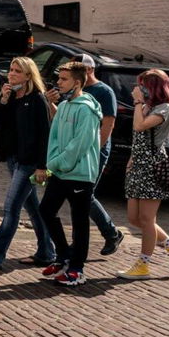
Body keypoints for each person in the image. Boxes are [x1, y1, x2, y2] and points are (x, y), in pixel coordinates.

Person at [0, 57, 54, 270]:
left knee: (11, 208)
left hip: (29, 162)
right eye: (11, 70)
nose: (11, 74)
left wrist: (42, 166)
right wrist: (2, 100)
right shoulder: (11, 97)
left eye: (17, 71)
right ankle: (47, 251)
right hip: (12, 158)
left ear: (28, 75)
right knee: (33, 208)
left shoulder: (37, 99)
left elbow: (44, 135)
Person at [49, 55, 125, 255]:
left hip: (93, 151)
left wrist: (94, 152)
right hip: (71, 152)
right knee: (73, 200)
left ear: (89, 71)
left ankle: (108, 234)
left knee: (84, 197)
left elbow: (108, 124)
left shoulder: (103, 92)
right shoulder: (71, 91)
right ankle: (81, 244)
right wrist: (51, 104)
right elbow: (63, 120)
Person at [117, 69, 169, 280]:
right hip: (138, 165)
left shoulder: (164, 109)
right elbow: (137, 137)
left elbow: (140, 126)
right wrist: (132, 158)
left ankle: (143, 265)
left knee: (147, 219)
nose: (140, 90)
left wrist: (138, 103)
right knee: (134, 218)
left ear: (154, 88)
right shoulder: (147, 107)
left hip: (152, 166)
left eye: (143, 86)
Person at [38, 62, 103, 287]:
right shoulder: (64, 106)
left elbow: (79, 146)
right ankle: (64, 256)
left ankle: (77, 269)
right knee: (45, 210)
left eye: (64, 79)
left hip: (80, 174)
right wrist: (52, 165)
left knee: (79, 221)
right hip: (60, 172)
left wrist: (54, 165)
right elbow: (54, 137)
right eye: (59, 78)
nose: (58, 82)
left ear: (77, 82)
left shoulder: (87, 109)